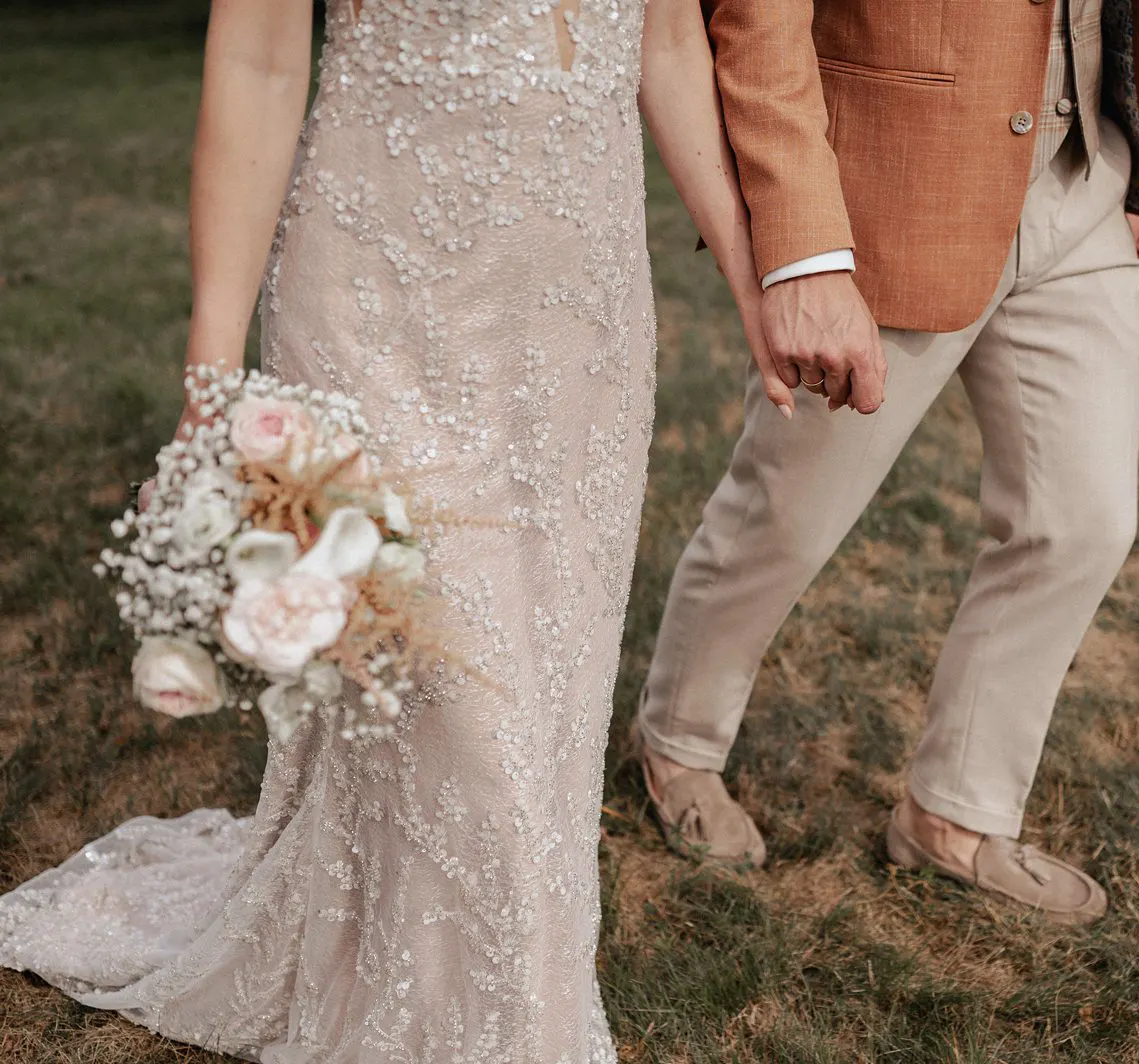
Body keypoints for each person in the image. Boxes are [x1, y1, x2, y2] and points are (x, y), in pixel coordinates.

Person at [0, 0, 802, 1059]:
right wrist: (212, 378)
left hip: (579, 324)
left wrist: (755, 276)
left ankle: (458, 960)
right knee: (462, 694)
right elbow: (257, 56)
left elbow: (662, 39)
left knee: (546, 684)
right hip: (379, 307)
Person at [633, 0, 1139, 926]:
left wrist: (1129, 160)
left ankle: (955, 815)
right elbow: (761, 16)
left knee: (1082, 522)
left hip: (1081, 178)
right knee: (789, 514)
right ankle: (678, 742)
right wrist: (803, 252)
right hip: (890, 191)